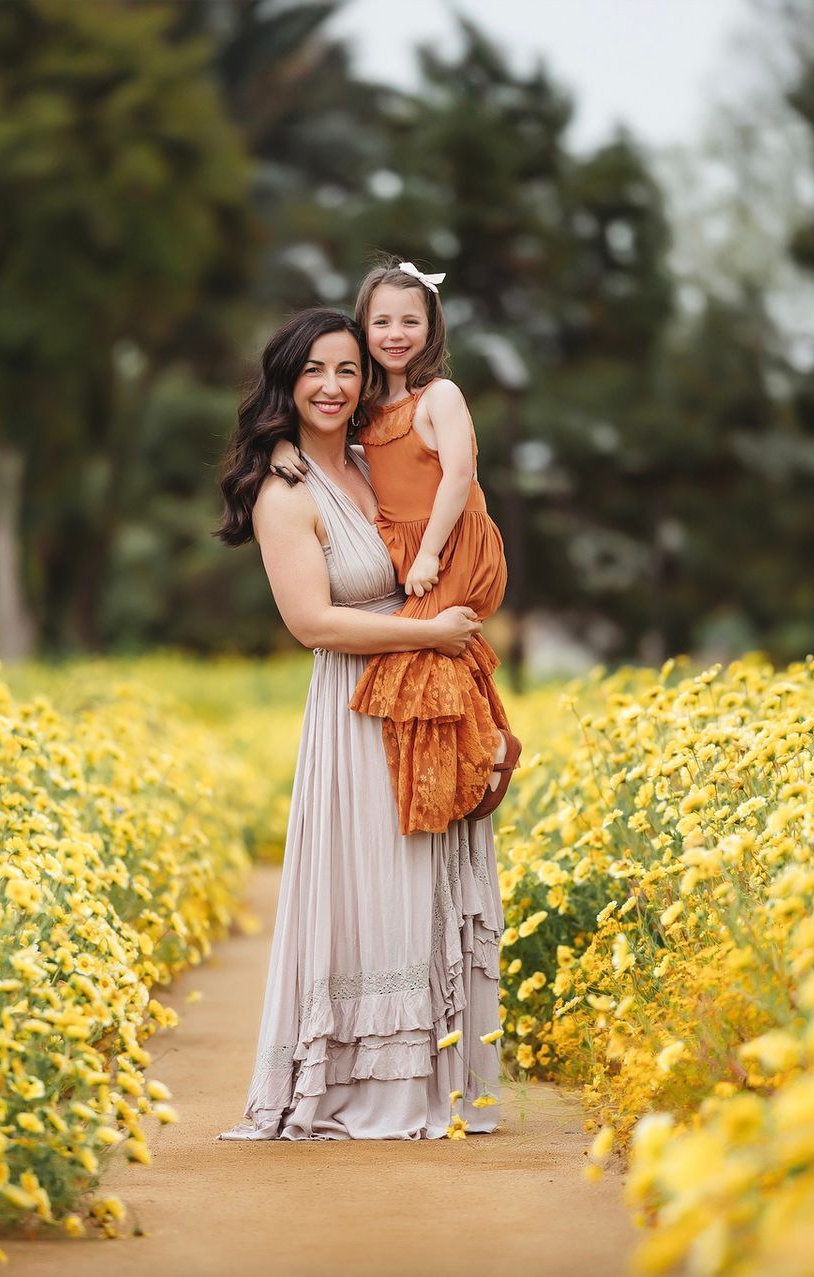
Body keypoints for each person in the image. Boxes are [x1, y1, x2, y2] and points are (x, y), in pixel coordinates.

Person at [215, 307, 504, 1140]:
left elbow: (451, 497)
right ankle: (363, 1084)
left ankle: (441, 1082)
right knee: (376, 886)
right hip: (356, 705)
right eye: (313, 372)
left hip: (425, 693)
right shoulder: (284, 491)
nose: (333, 386)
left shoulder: (377, 464)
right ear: (287, 383)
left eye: (347, 370)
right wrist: (427, 634)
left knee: (424, 881)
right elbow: (314, 624)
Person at [269, 261, 519, 836]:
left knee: (425, 661)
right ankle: (462, 761)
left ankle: (482, 755)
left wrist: (429, 552)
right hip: (411, 547)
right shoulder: (370, 410)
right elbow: (320, 425)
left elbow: (460, 474)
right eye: (381, 321)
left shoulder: (440, 394)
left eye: (411, 321)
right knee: (429, 657)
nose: (395, 334)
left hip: (453, 543)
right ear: (364, 327)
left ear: (432, 329)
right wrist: (281, 449)